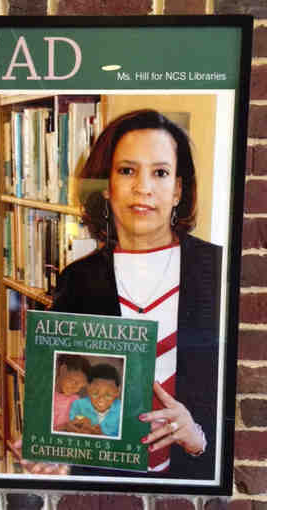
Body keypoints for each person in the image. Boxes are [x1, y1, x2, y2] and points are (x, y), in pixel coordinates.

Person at [50, 109, 222, 480]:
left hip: (193, 487)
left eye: (160, 173)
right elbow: (63, 393)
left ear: (178, 189)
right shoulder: (77, 281)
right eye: (127, 170)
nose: (143, 187)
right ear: (106, 185)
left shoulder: (219, 271)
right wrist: (50, 452)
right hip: (105, 488)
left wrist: (199, 439)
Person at [67, 363, 122, 437]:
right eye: (95, 393)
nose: (101, 399)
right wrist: (78, 427)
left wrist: (101, 435)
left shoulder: (122, 410)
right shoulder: (78, 405)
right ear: (88, 388)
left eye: (108, 395)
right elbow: (71, 428)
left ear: (117, 391)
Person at [52, 355, 90, 431]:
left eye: (80, 387)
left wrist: (84, 421)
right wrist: (64, 426)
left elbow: (80, 417)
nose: (76, 389)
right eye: (75, 382)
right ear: (63, 370)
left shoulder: (75, 399)